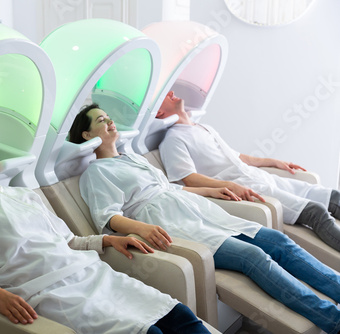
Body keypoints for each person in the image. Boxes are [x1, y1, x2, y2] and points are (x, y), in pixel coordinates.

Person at [69, 104, 340, 334]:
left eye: (108, 117)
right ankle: (332, 319)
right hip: (174, 223)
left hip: (198, 210)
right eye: (101, 120)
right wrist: (141, 227)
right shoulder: (96, 173)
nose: (109, 121)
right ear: (86, 134)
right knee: (253, 257)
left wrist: (211, 189)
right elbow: (109, 216)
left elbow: (168, 187)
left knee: (280, 241)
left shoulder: (132, 158)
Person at [0, 130, 211, 334]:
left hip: (93, 274)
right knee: (148, 333)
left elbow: (69, 241)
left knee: (179, 316)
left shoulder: (24, 195)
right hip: (53, 293)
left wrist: (108, 239)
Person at [156, 91, 340, 251]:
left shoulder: (203, 127)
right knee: (316, 211)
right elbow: (188, 178)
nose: (171, 93)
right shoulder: (173, 140)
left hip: (262, 177)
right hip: (249, 189)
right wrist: (229, 185)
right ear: (159, 112)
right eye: (165, 95)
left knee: (333, 197)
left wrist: (274, 162)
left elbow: (236, 156)